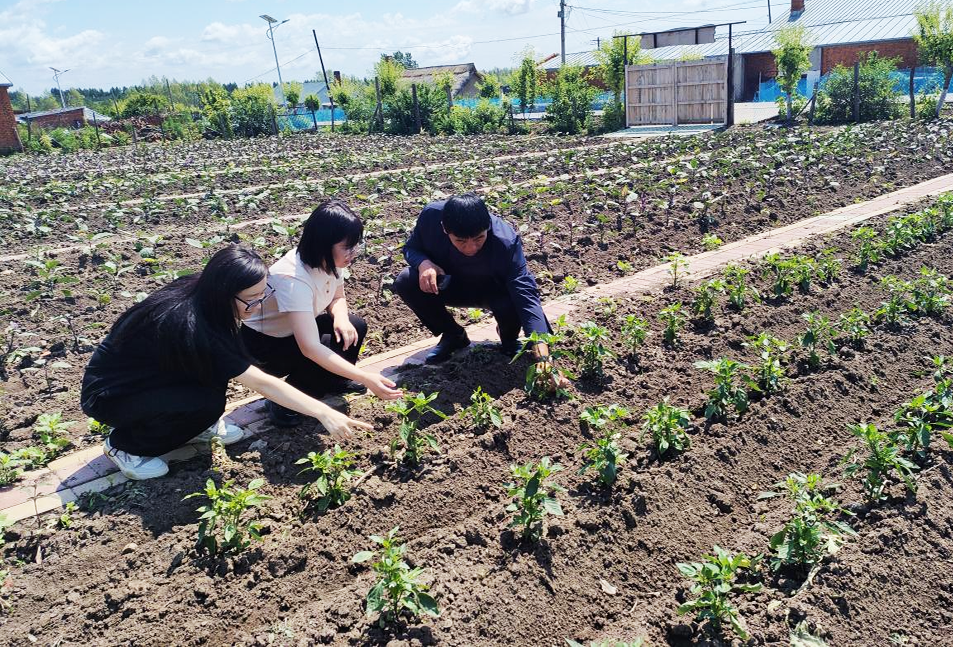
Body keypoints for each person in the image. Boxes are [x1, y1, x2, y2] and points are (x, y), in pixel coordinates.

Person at [80, 245, 372, 481]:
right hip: (112, 395)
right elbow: (262, 383)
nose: (258, 304)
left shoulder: (202, 296)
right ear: (225, 292)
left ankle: (193, 426)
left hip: (153, 374)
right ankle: (126, 446)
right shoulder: (196, 325)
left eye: (262, 294)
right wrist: (322, 412)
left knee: (212, 388)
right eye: (252, 299)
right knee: (207, 404)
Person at [241, 199, 401, 427]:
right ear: (324, 244)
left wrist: (341, 318)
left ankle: (334, 381)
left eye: (355, 245)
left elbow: (337, 297)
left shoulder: (329, 262)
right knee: (321, 351)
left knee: (354, 326)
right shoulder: (293, 278)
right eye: (347, 247)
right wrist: (365, 377)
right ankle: (285, 403)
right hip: (265, 346)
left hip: (293, 332)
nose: (353, 252)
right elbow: (310, 348)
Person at [393, 192, 567, 387]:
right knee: (406, 281)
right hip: (451, 285)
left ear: (488, 227)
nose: (470, 248)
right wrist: (423, 263)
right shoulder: (431, 217)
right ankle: (453, 335)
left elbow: (525, 292)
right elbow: (411, 248)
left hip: (492, 290)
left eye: (478, 238)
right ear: (444, 229)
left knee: (513, 299)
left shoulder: (505, 241)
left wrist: (542, 351)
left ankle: (509, 339)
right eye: (460, 241)